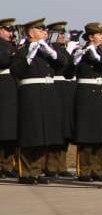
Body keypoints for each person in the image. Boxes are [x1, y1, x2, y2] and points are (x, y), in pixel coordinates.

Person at [11, 19, 65, 184]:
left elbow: (64, 65)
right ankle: (26, 172)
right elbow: (16, 70)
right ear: (30, 32)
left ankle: (36, 170)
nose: (45, 32)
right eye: (40, 29)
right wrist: (28, 56)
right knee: (31, 134)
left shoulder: (45, 50)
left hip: (47, 93)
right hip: (31, 94)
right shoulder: (22, 49)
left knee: (44, 135)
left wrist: (52, 53)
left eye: (44, 29)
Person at [72, 22, 102, 182]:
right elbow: (70, 70)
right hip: (86, 94)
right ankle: (84, 170)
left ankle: (97, 168)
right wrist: (76, 57)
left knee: (99, 133)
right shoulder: (80, 51)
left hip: (101, 93)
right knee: (86, 133)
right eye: (99, 34)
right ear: (90, 36)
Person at [43, 21, 76, 178]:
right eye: (59, 33)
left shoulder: (63, 49)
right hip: (54, 87)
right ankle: (49, 166)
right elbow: (58, 64)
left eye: (64, 33)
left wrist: (74, 60)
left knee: (64, 129)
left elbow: (69, 71)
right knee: (54, 128)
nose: (63, 36)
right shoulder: (48, 50)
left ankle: (60, 165)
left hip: (65, 89)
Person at [0, 18, 17, 178]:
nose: (10, 33)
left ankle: (7, 164)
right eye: (7, 30)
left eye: (12, 30)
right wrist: (14, 53)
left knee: (11, 128)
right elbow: (3, 60)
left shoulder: (13, 46)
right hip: (2, 86)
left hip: (12, 86)